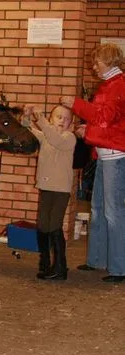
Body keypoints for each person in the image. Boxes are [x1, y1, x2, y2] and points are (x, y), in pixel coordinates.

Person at [61, 42, 125, 283]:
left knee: (113, 212)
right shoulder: (109, 85)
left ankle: (119, 268)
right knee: (97, 210)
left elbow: (103, 117)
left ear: (109, 61)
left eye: (97, 62)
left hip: (115, 158)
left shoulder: (117, 86)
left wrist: (75, 103)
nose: (93, 66)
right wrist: (88, 130)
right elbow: (107, 121)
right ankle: (96, 260)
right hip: (105, 154)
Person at [24, 105, 76, 280]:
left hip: (61, 190)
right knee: (43, 225)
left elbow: (56, 140)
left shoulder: (69, 138)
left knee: (54, 224)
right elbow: (28, 131)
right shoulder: (46, 136)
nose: (62, 120)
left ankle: (61, 267)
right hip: (46, 188)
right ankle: (45, 263)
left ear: (71, 123)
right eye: (58, 117)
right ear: (52, 119)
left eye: (66, 118)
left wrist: (42, 121)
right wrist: (26, 116)